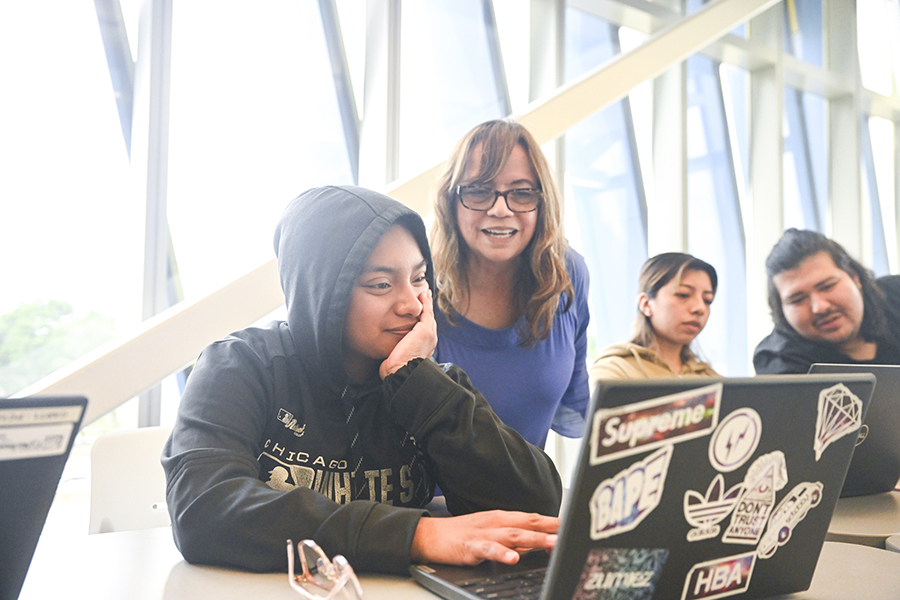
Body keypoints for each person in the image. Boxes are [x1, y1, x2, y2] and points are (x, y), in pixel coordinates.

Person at [162, 185, 562, 576]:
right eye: (381, 285)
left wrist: (419, 387)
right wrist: (415, 536)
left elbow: (535, 509)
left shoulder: (425, 384)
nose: (410, 304)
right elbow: (203, 509)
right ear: (322, 292)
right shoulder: (239, 367)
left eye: (420, 278)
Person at [430, 119, 590, 450]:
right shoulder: (418, 286)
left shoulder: (567, 273)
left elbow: (578, 410)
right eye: (478, 190)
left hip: (529, 502)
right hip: (425, 503)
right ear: (451, 200)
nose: (500, 209)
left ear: (542, 202)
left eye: (520, 193)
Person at [753, 228, 900, 374]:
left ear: (854, 277)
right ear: (781, 311)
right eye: (798, 300)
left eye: (827, 286)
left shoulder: (894, 295)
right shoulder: (782, 364)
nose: (820, 307)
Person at [589, 252, 720, 381]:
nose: (700, 308)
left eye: (707, 300)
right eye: (683, 294)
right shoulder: (614, 371)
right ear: (646, 304)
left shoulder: (712, 379)